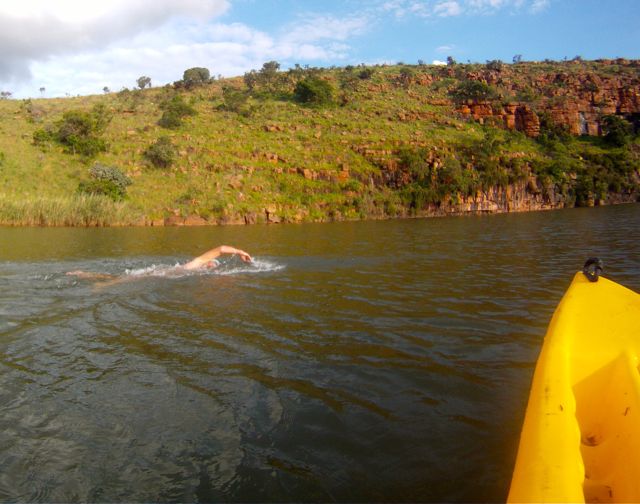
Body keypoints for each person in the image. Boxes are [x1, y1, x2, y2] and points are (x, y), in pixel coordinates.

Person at [66, 245, 252, 284]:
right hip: (163, 273)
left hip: (164, 272)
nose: (213, 266)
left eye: (214, 265)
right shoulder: (199, 262)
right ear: (209, 260)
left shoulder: (201, 272)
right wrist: (241, 252)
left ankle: (83, 273)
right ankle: (102, 284)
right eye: (213, 263)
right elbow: (220, 248)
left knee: (128, 277)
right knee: (126, 279)